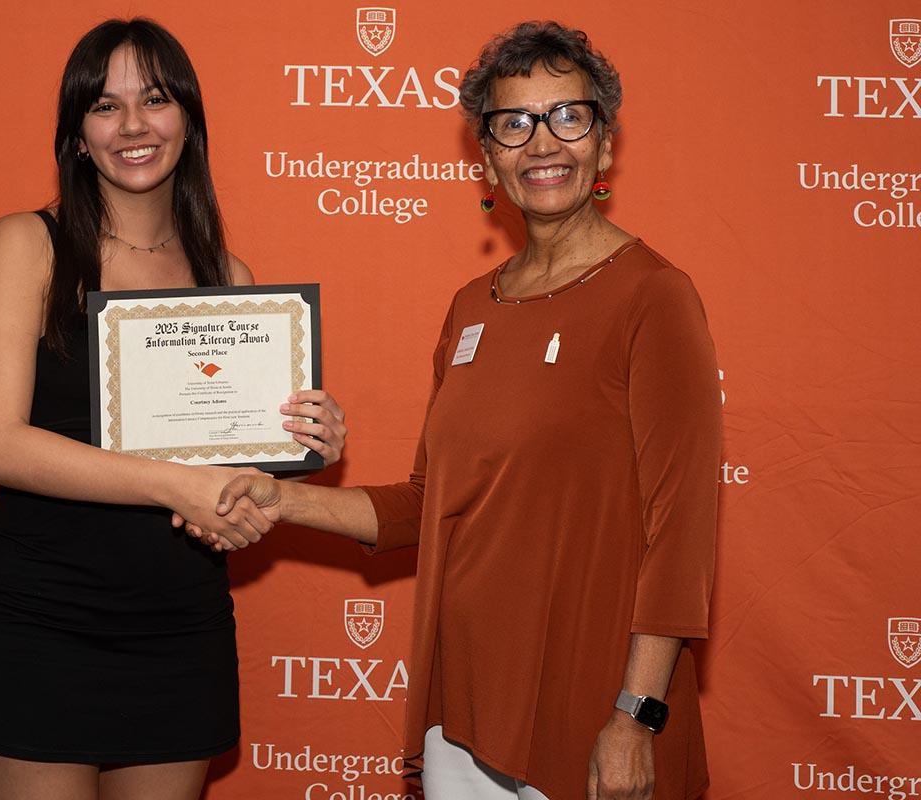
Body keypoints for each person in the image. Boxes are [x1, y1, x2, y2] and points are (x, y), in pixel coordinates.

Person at [201, 20, 721, 800]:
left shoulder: (654, 296)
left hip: (589, 713)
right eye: (514, 124)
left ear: (605, 145)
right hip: (463, 711)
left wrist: (636, 714)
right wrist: (279, 497)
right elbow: (426, 506)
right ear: (487, 158)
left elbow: (680, 533)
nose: (541, 143)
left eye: (567, 116)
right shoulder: (469, 308)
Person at [0, 18, 347, 800]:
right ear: (77, 134)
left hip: (179, 626)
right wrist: (175, 485)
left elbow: (224, 476)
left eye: (154, 99)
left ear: (188, 120)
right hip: (41, 621)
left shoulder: (228, 276)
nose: (133, 125)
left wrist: (299, 440)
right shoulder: (29, 244)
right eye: (104, 106)